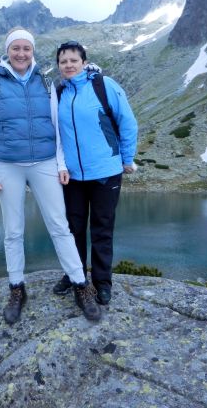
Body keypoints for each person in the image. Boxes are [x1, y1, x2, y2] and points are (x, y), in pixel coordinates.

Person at [0, 28, 101, 324]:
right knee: (13, 231)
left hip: (44, 163)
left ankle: (80, 284)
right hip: (8, 165)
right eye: (16, 48)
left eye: (26, 48)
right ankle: (17, 288)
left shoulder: (45, 83)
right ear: (8, 51)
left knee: (60, 225)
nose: (21, 53)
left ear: (33, 51)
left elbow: (57, 128)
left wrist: (61, 164)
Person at [52, 41, 138, 306]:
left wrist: (127, 158)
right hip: (73, 177)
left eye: (73, 60)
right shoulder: (59, 93)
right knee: (74, 228)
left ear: (84, 63)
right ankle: (75, 275)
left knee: (101, 228)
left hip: (105, 172)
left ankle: (102, 282)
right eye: (63, 61)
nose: (68, 65)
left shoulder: (104, 85)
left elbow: (127, 122)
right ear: (58, 65)